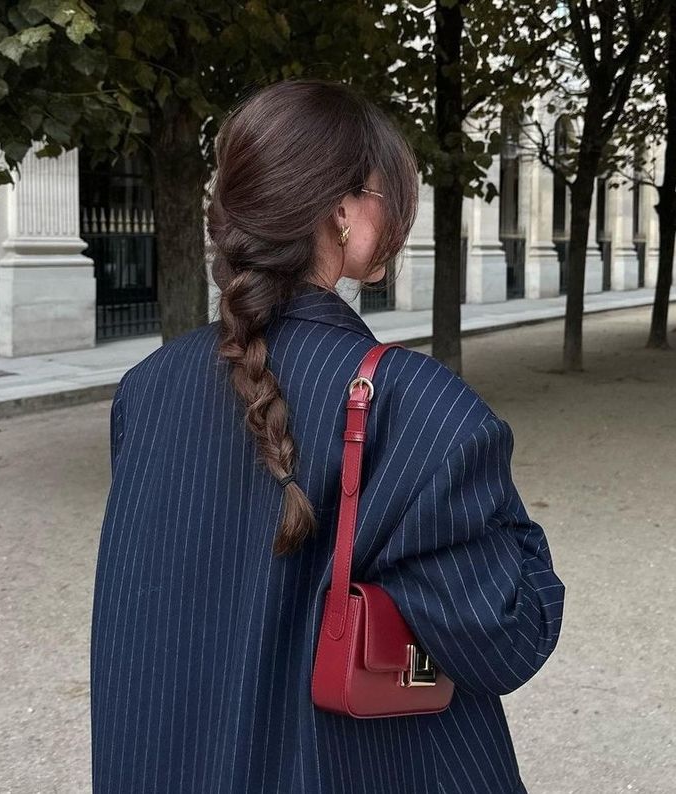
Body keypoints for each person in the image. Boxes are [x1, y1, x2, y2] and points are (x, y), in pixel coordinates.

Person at [90, 78, 565, 794]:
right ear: (343, 212)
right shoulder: (417, 406)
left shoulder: (146, 387)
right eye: (391, 196)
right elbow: (506, 637)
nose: (401, 216)